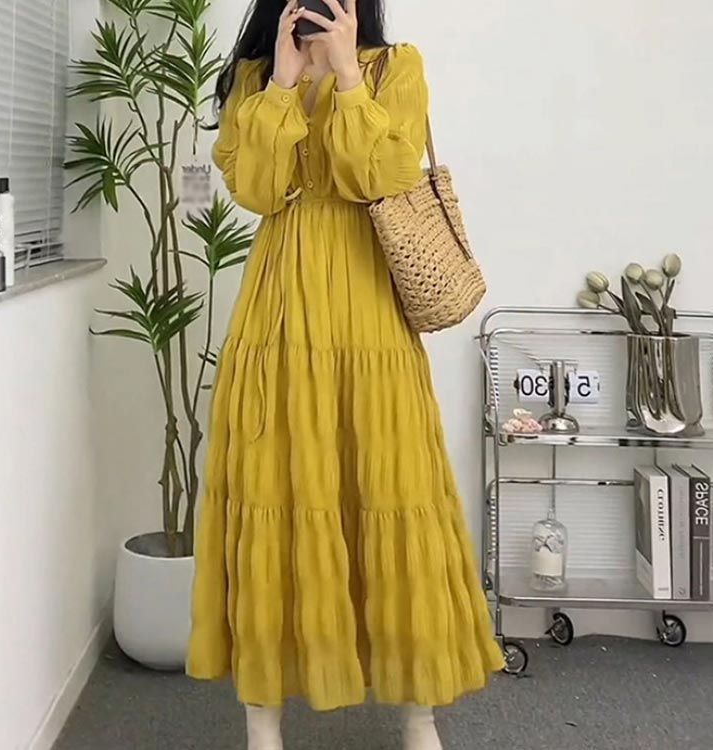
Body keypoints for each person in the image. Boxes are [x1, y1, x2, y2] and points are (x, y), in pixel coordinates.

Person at [187, 1, 505, 747]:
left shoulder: (396, 67)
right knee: (274, 488)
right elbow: (256, 192)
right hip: (279, 315)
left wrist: (346, 76)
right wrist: (282, 85)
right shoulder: (254, 77)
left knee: (394, 491)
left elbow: (383, 176)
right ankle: (263, 723)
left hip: (371, 315)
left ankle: (418, 716)